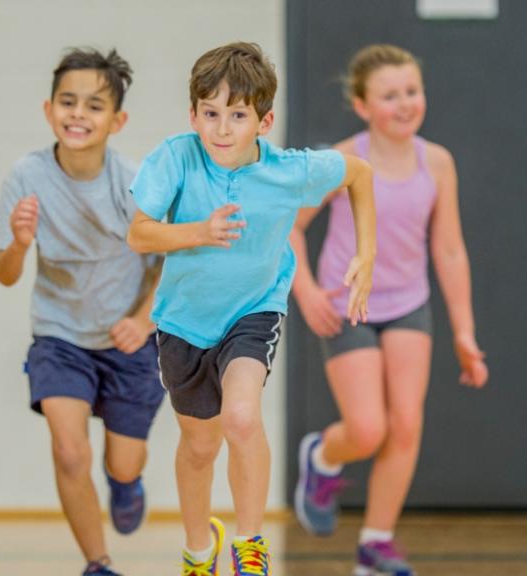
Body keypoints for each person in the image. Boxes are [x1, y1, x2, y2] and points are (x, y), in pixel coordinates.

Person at [127, 41, 376, 576]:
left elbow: (360, 174)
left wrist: (367, 252)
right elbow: (139, 234)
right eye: (210, 113)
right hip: (183, 321)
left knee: (241, 418)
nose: (221, 129)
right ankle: (199, 551)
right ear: (192, 114)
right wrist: (199, 232)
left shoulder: (290, 171)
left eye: (237, 116)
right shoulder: (176, 157)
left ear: (263, 122)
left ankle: (249, 542)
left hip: (254, 311)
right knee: (200, 446)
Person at [290, 44, 488, 576]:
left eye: (412, 91)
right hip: (347, 303)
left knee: (405, 425)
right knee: (368, 428)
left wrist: (464, 332)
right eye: (389, 96)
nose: (405, 104)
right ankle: (322, 457)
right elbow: (291, 227)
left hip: (408, 304)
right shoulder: (341, 162)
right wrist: (306, 291)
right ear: (361, 106)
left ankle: (375, 544)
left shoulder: (437, 162)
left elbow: (449, 249)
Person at [0, 48, 164, 576]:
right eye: (68, 102)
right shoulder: (26, 175)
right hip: (59, 335)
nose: (78, 114)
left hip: (129, 338)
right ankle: (98, 562)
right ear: (49, 110)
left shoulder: (135, 182)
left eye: (94, 105)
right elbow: (5, 273)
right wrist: (20, 243)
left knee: (122, 462)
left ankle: (126, 483)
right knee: (70, 453)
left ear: (118, 120)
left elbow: (171, 262)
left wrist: (144, 320)